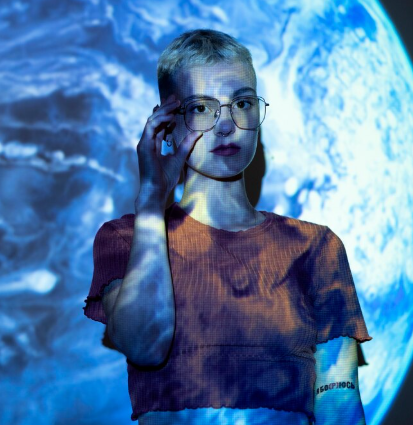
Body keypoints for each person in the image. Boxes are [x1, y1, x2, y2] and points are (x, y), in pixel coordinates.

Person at [83, 29, 372, 425]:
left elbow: (339, 402)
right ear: (166, 124)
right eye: (202, 107)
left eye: (242, 103)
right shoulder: (125, 239)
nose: (225, 125)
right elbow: (145, 346)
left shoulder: (315, 246)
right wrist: (151, 204)